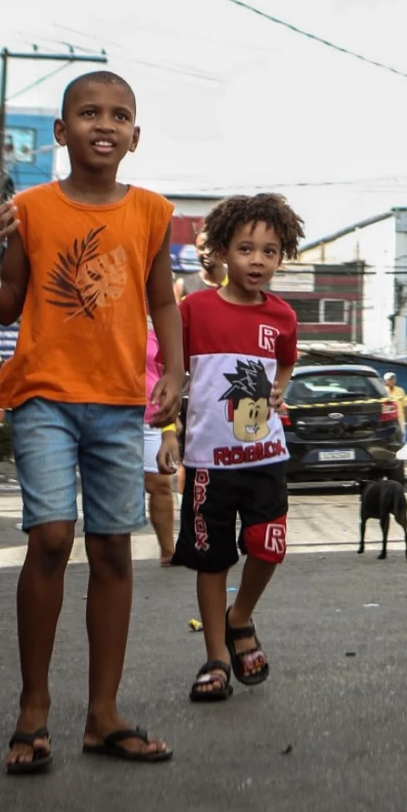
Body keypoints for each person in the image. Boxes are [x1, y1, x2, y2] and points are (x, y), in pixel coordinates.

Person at [0, 71, 181, 773]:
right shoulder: (30, 208)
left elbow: (163, 301)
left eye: (119, 114)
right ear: (61, 131)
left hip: (119, 404)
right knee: (53, 535)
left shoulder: (151, 211)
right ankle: (33, 708)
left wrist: (175, 373)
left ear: (135, 136)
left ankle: (103, 715)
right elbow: (6, 304)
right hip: (44, 399)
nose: (104, 124)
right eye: (89, 112)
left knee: (114, 548)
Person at [171, 192, 301, 700]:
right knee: (212, 559)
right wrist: (166, 430)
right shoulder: (193, 310)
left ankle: (240, 616)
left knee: (269, 546)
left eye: (270, 251)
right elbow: (168, 372)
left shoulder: (282, 316)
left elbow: (286, 361)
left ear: (282, 257)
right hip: (208, 461)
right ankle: (216, 658)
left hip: (266, 456)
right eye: (246, 249)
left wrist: (280, 388)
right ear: (223, 251)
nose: (258, 261)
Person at [143, 321, 178, 565]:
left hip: (152, 417)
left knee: (161, 484)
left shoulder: (158, 328)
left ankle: (168, 552)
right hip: (112, 414)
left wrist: (170, 425)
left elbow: (168, 377)